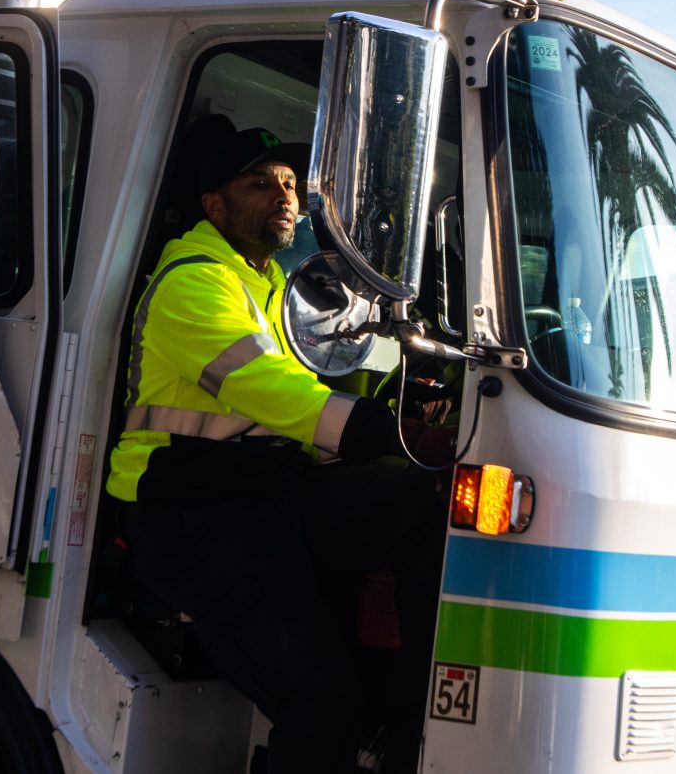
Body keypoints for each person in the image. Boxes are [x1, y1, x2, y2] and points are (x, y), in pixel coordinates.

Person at [107, 126, 448, 774]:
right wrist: (384, 433)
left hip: (261, 495)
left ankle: (415, 716)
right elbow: (270, 390)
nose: (283, 195)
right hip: (191, 517)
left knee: (408, 504)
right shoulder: (195, 280)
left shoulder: (262, 285)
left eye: (289, 183)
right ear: (215, 206)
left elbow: (278, 418)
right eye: (259, 184)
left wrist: (396, 436)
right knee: (323, 693)